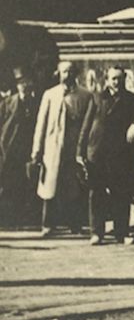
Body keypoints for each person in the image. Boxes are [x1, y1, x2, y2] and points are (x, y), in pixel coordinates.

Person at [77, 66, 134, 245]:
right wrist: (80, 151)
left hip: (120, 153)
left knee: (121, 192)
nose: (117, 82)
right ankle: (97, 232)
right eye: (113, 79)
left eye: (120, 78)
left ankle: (121, 232)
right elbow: (86, 126)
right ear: (107, 81)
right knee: (97, 193)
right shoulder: (97, 98)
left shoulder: (131, 100)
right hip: (98, 151)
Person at [31, 61, 93, 236]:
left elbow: (88, 126)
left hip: (74, 150)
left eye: (71, 71)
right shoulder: (50, 95)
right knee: (49, 188)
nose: (68, 75)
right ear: (58, 74)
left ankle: (76, 224)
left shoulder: (85, 96)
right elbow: (40, 125)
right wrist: (36, 151)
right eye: (64, 72)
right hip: (52, 148)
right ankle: (47, 225)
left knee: (74, 188)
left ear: (76, 73)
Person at [0, 68, 40, 225]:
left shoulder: (35, 104)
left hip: (27, 150)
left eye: (27, 83)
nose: (24, 86)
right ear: (17, 86)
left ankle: (22, 217)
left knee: (25, 184)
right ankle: (6, 218)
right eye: (21, 83)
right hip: (8, 150)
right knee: (7, 184)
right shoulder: (7, 104)